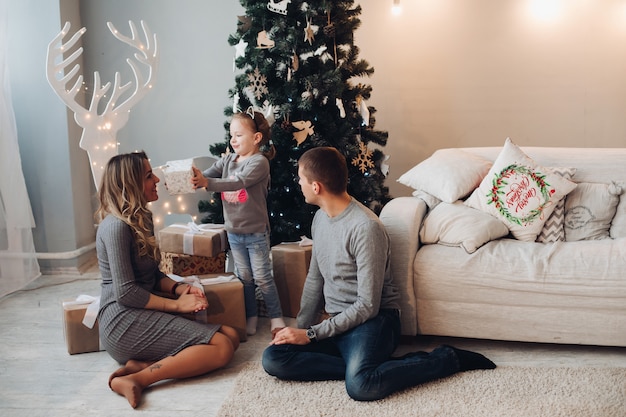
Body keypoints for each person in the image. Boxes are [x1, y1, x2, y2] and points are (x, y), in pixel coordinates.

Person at [262, 147, 496, 401]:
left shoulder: (365, 228)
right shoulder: (320, 219)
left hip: (374, 322)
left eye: (300, 178)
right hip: (337, 323)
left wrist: (311, 335)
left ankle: (447, 358)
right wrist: (301, 332)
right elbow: (315, 280)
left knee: (362, 386)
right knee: (274, 358)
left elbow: (367, 306)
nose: (298, 183)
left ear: (316, 187)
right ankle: (364, 366)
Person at [96, 151, 240, 409]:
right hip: (121, 319)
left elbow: (153, 276)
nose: (158, 180)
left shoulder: (143, 218)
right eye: (149, 175)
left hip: (139, 309)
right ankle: (138, 379)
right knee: (221, 347)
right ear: (131, 183)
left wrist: (179, 288)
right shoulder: (116, 227)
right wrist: (176, 305)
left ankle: (141, 365)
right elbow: (126, 292)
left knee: (231, 335)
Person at [191, 108, 286, 338]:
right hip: (234, 232)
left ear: (256, 138)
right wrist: (193, 176)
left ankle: (276, 317)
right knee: (245, 278)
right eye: (231, 135)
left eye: (239, 135)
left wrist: (207, 182)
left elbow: (237, 183)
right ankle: (251, 315)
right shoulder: (228, 159)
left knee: (262, 277)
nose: (233, 140)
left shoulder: (259, 162)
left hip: (255, 232)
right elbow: (208, 173)